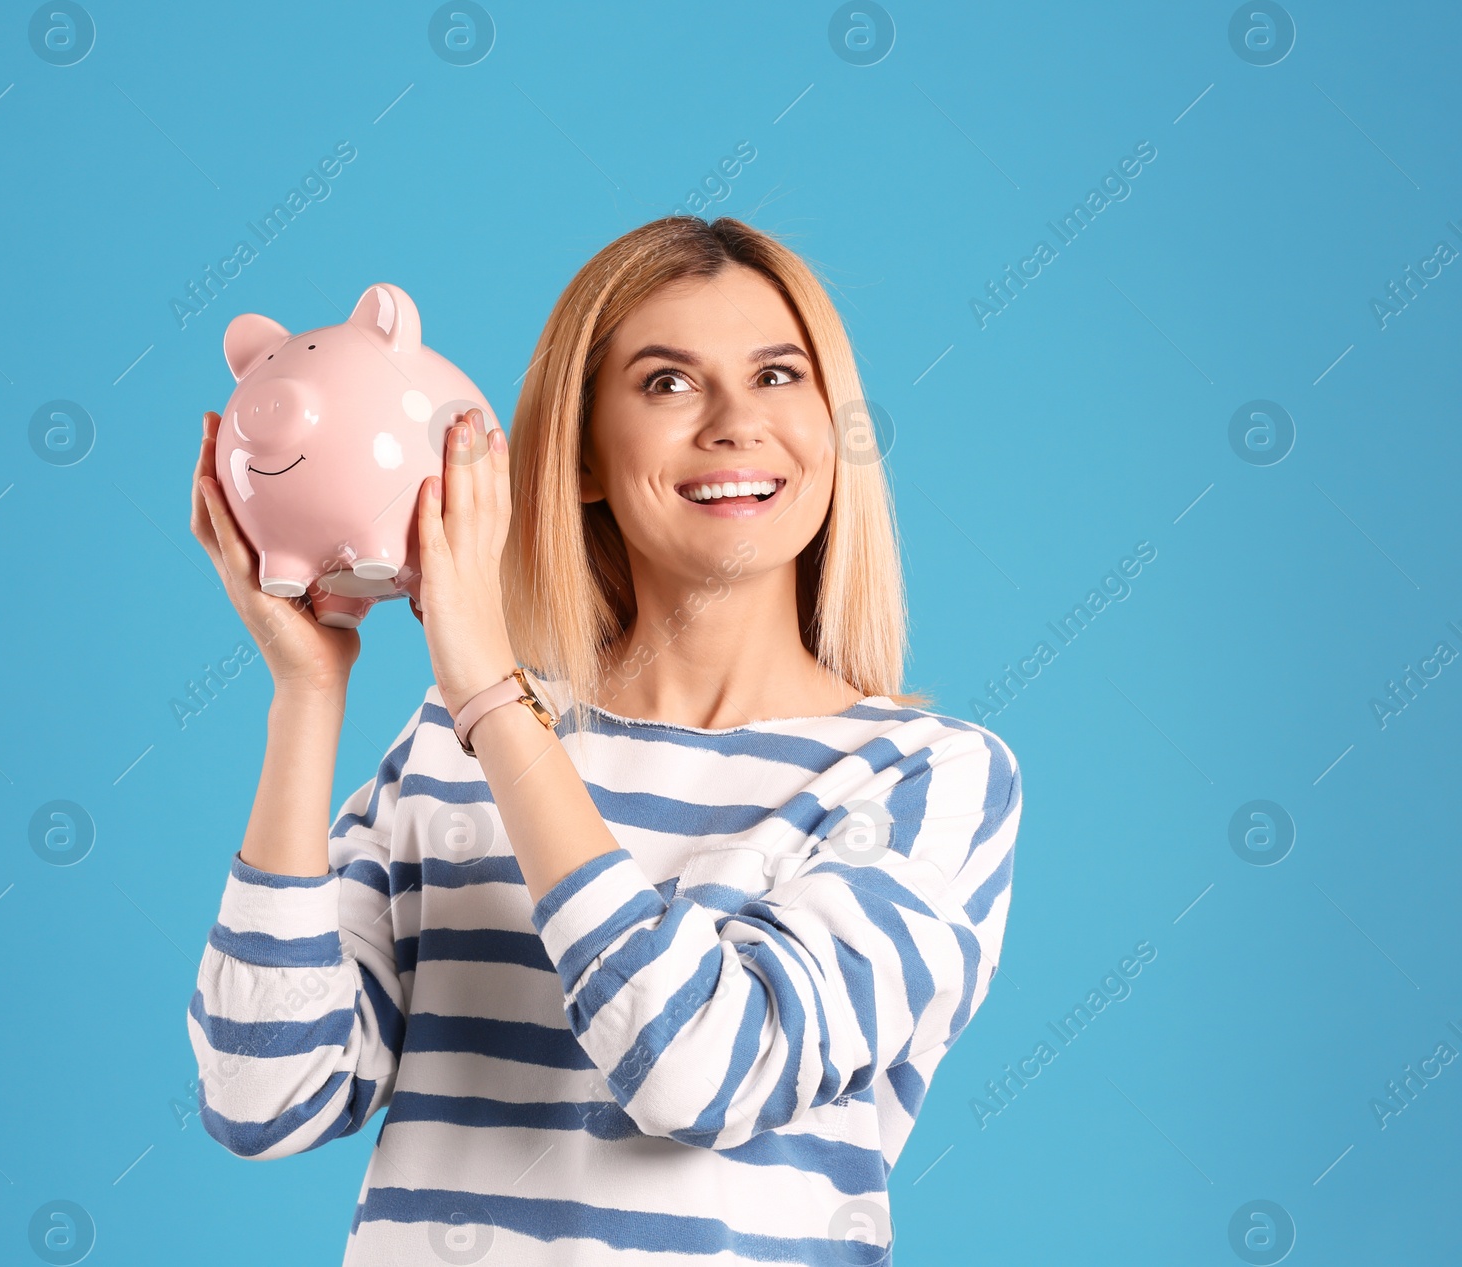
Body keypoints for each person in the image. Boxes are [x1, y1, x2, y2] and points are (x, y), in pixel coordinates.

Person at [186, 215, 1022, 1265]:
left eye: (776, 375)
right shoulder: (450, 745)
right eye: (667, 383)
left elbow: (703, 1073)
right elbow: (263, 1095)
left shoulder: (926, 778)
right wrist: (306, 696)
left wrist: (495, 700)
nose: (732, 424)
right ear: (578, 455)